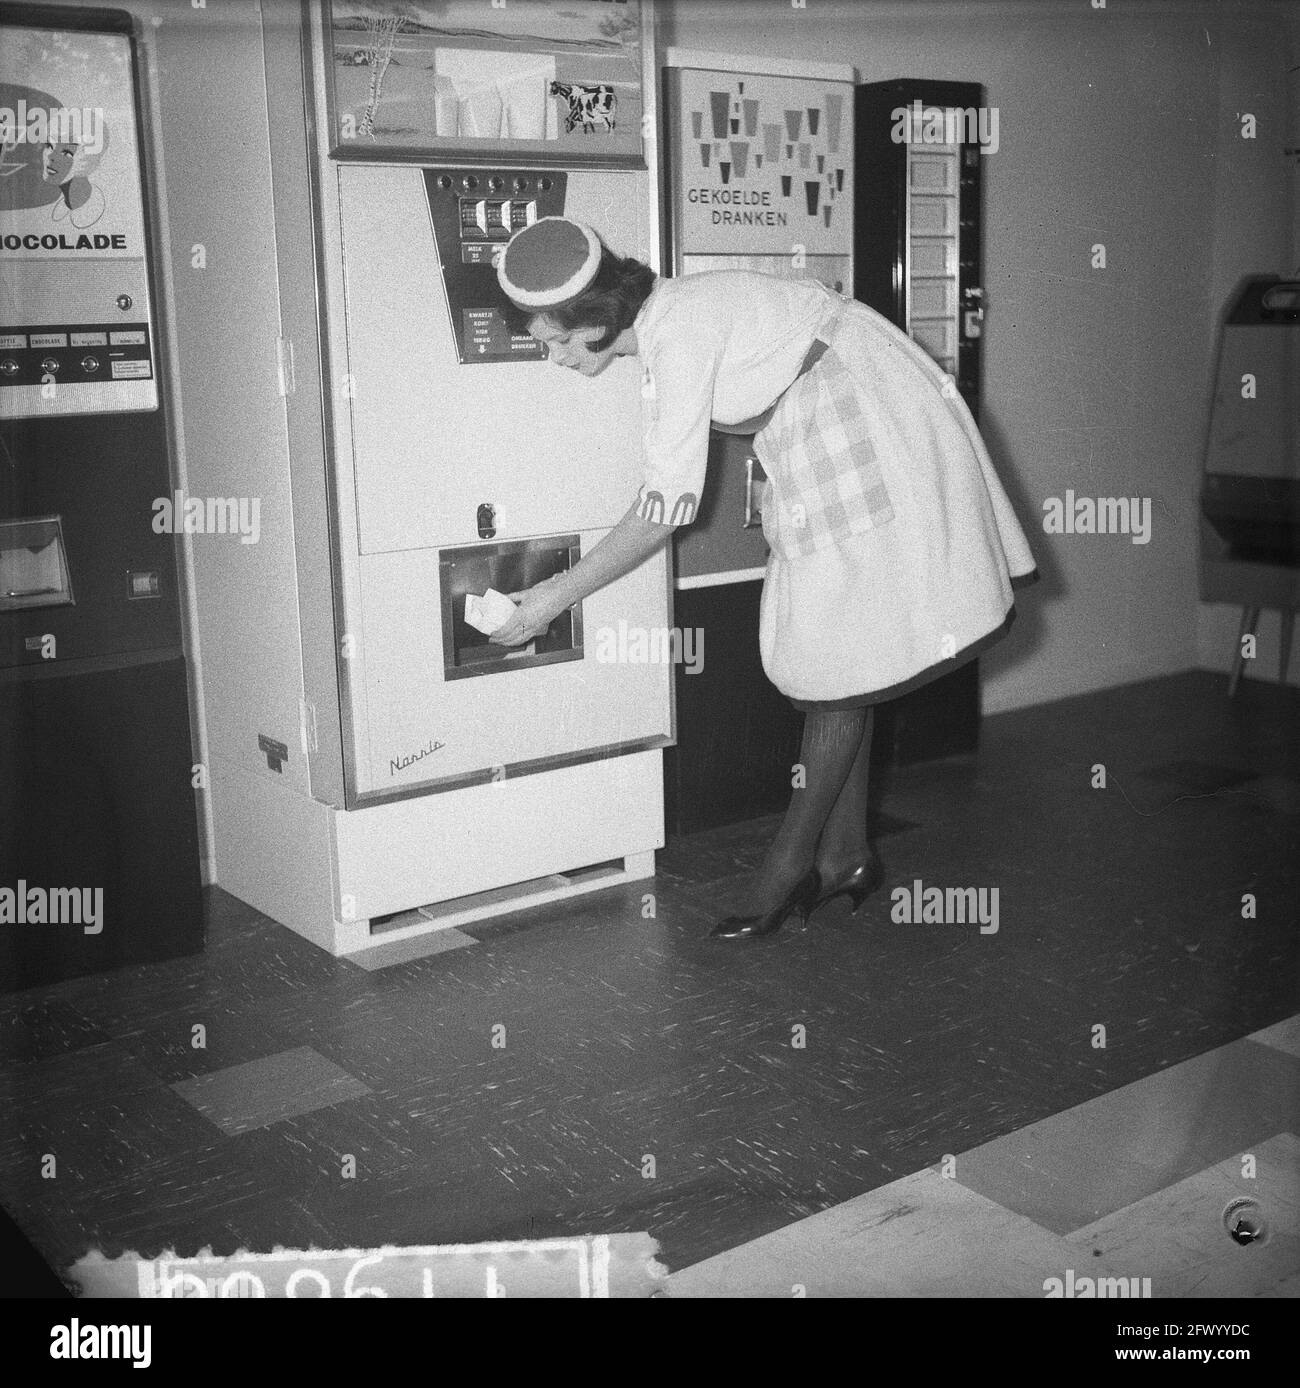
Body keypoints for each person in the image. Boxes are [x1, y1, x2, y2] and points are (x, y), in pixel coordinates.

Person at [490, 216, 1035, 940]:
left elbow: (665, 507)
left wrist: (556, 595)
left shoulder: (674, 332)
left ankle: (787, 870)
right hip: (837, 412)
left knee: (833, 660)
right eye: (545, 343)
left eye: (559, 339)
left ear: (598, 316)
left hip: (862, 414)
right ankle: (844, 857)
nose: (555, 357)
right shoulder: (670, 320)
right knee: (843, 654)